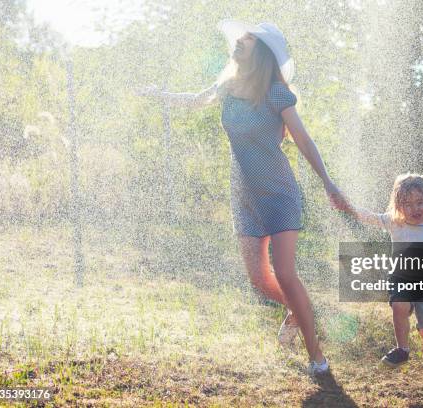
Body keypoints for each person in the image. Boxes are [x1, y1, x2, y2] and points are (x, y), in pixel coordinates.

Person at [137, 20, 346, 375]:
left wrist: (329, 183)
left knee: (286, 273)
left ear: (262, 52)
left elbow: (304, 140)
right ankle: (299, 310)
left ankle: (317, 358)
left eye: (248, 39)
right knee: (259, 281)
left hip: (279, 193)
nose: (239, 41)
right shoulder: (229, 86)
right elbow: (195, 100)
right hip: (244, 195)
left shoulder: (278, 94)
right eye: (241, 37)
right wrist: (159, 95)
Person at [339, 173, 423, 386]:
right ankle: (402, 349)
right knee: (399, 306)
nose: (415, 209)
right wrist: (347, 207)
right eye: (408, 204)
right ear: (398, 206)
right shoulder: (395, 222)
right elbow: (370, 216)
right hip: (401, 278)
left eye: (420, 202)